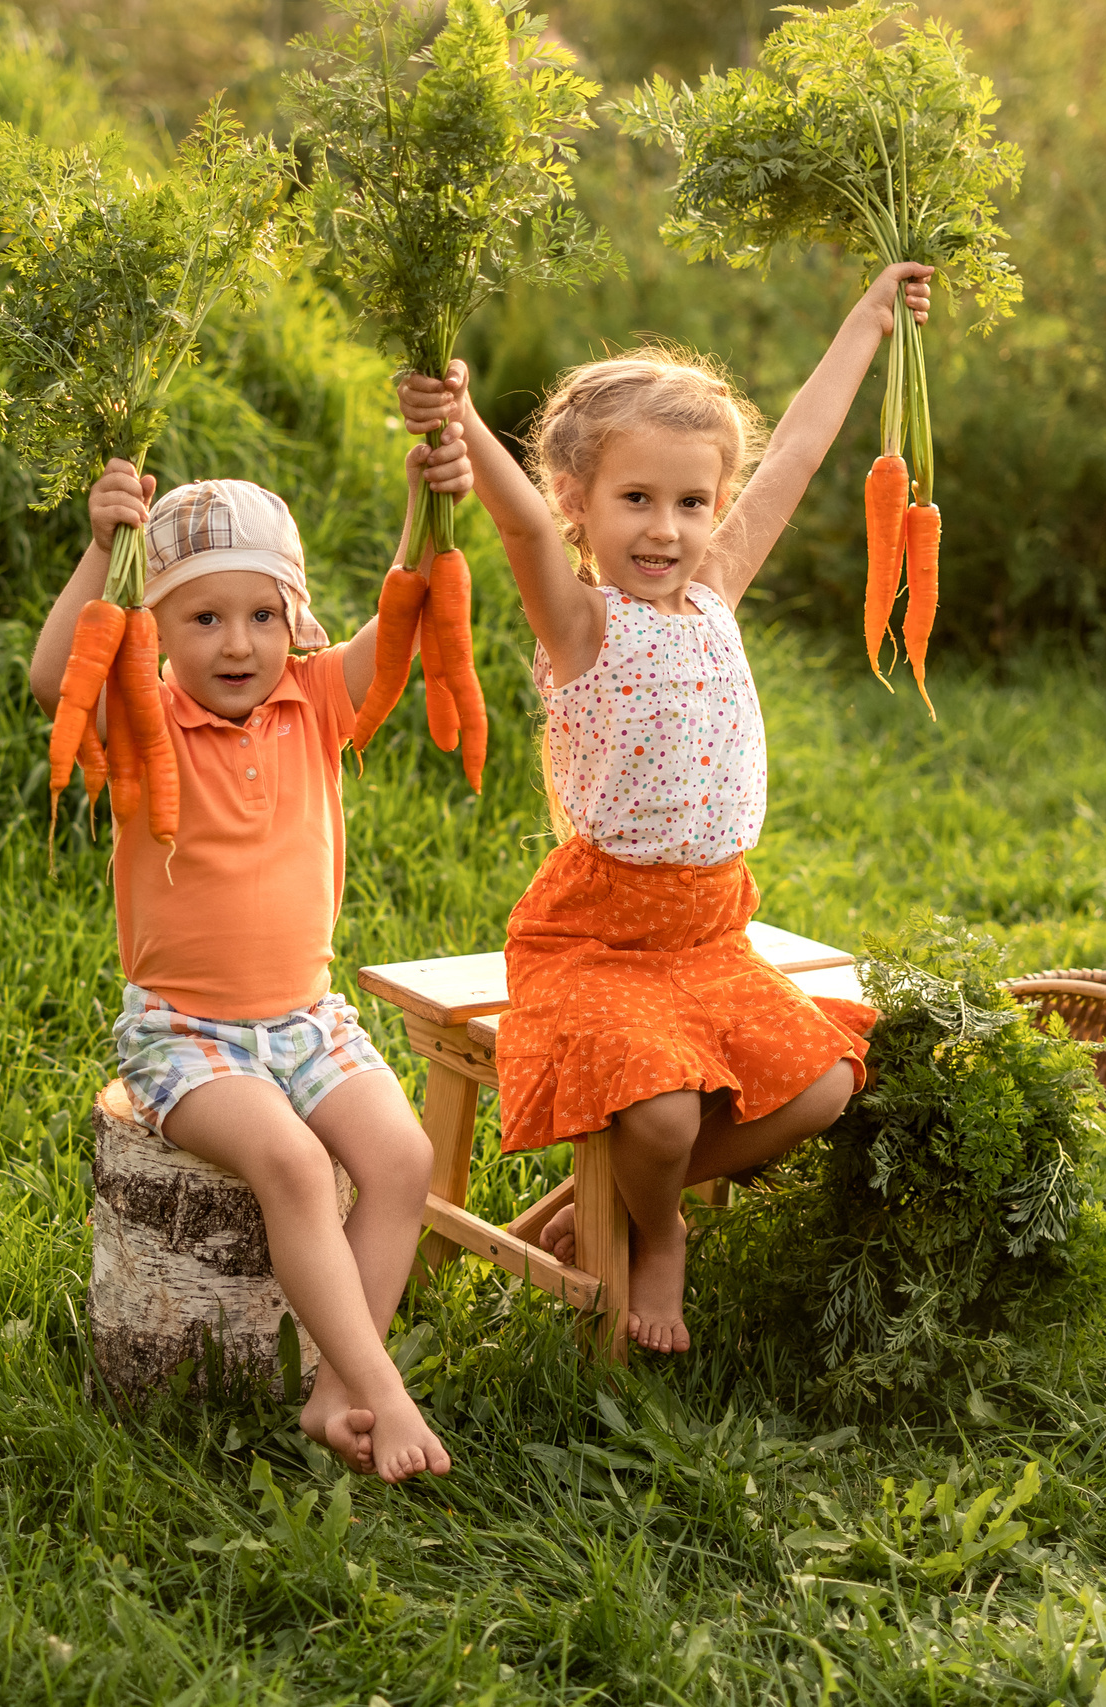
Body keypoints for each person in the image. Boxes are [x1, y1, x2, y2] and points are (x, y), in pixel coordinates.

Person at [398, 262, 935, 1354]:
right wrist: (462, 425)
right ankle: (657, 1233)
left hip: (708, 931)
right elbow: (520, 534)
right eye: (635, 499)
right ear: (579, 502)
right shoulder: (582, 624)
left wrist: (869, 318)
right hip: (596, 938)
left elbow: (798, 451)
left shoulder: (714, 591)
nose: (666, 529)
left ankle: (604, 1197)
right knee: (662, 1108)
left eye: (692, 503)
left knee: (825, 1085)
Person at [28, 437, 470, 1482]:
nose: (239, 644)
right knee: (294, 1166)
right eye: (205, 618)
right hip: (186, 1033)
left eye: (264, 615)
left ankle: (331, 1391)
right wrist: (101, 546)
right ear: (157, 626)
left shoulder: (316, 701)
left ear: (293, 619)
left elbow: (404, 613)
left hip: (306, 1019)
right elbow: (54, 677)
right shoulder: (145, 717)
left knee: (403, 1162)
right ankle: (381, 1390)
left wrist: (424, 500)